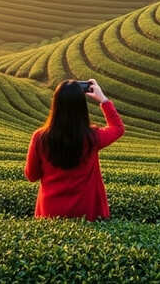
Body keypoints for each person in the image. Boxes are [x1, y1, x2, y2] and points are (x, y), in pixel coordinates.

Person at [24, 78, 125, 221]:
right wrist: (103, 99)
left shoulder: (40, 138)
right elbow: (117, 128)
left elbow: (32, 175)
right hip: (86, 212)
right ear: (81, 107)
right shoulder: (92, 138)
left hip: (50, 212)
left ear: (56, 104)